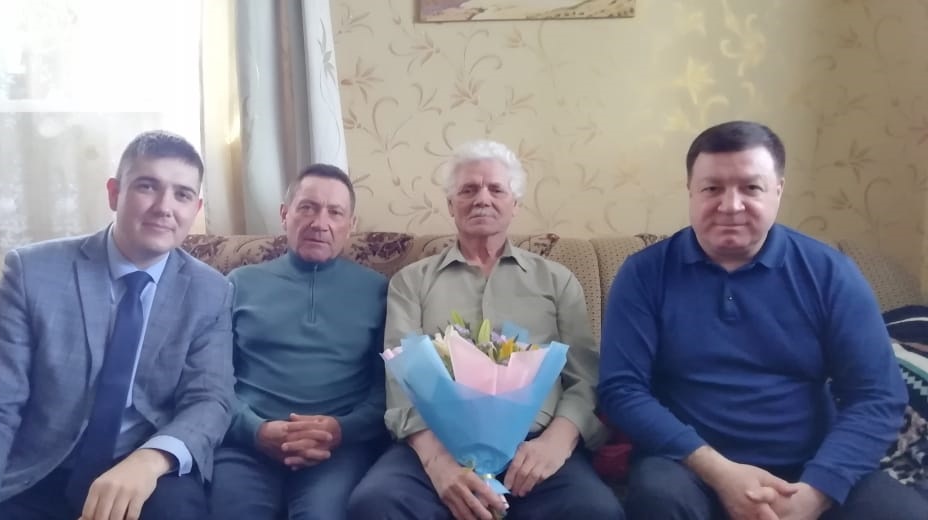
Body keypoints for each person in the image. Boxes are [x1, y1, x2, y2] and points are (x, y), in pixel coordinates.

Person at [598, 120, 927, 519]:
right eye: (712, 188)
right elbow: (621, 390)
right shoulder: (644, 274)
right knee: (658, 494)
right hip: (692, 467)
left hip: (809, 469)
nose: (730, 205)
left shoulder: (830, 273)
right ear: (690, 191)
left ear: (778, 190)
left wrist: (816, 493)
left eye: (750, 188)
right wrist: (721, 474)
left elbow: (877, 395)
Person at [0, 131, 235, 520]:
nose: (164, 207)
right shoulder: (31, 273)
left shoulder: (211, 292)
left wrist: (152, 459)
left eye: (182, 194)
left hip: (143, 471)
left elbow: (210, 401)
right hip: (38, 471)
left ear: (196, 208)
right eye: (147, 186)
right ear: (114, 193)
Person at [348, 140, 624, 520]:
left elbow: (585, 376)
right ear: (451, 205)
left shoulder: (556, 280)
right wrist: (438, 462)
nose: (482, 199)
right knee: (375, 502)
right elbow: (400, 380)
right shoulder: (411, 282)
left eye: (496, 189)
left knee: (596, 511)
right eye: (468, 190)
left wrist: (556, 442)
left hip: (534, 448)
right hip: (436, 444)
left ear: (515, 204)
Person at [209, 164, 388, 519]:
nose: (320, 223)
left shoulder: (379, 291)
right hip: (247, 444)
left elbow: (387, 390)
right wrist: (255, 430)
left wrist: (340, 430)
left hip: (337, 449)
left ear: (351, 225)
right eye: (307, 208)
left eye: (335, 212)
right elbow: (212, 379)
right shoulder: (239, 283)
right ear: (284, 214)